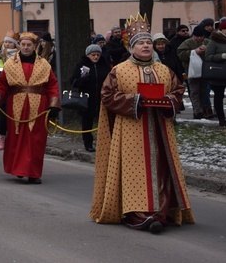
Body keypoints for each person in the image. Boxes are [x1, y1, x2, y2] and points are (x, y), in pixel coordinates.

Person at [91, 14, 194, 234]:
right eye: (141, 43)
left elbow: (177, 90)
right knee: (134, 170)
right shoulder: (119, 70)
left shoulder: (164, 70)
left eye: (148, 42)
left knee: (161, 168)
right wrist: (135, 101)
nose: (146, 45)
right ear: (132, 47)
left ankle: (161, 210)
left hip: (160, 129)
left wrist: (168, 101)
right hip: (130, 129)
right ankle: (138, 212)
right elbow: (107, 96)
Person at [0, 31, 60, 184]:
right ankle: (18, 169)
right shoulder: (10, 63)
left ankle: (33, 173)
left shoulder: (44, 65)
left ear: (35, 46)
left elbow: (52, 85)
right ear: (19, 46)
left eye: (29, 45)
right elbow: (2, 84)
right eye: (23, 45)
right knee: (16, 137)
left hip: (39, 107)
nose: (25, 47)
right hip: (16, 105)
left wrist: (53, 105)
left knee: (36, 140)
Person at [70, 44, 111, 152]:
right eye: (93, 55)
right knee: (87, 122)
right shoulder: (82, 65)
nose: (96, 57)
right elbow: (73, 82)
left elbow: (110, 78)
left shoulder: (104, 64)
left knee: (104, 122)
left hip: (102, 98)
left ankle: (105, 143)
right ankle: (88, 143)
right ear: (88, 55)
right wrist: (82, 80)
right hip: (87, 99)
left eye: (98, 55)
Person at [0, 31, 18, 150]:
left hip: (11, 90)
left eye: (10, 43)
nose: (7, 44)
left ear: (15, 45)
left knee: (4, 116)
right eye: (6, 42)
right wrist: (3, 74)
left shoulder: (18, 56)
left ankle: (2, 136)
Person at [177, 25, 209, 119]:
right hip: (191, 71)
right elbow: (180, 54)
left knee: (204, 91)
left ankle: (202, 109)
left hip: (205, 70)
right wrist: (194, 52)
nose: (199, 38)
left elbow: (213, 53)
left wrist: (206, 51)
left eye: (201, 36)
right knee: (194, 91)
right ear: (193, 36)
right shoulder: (187, 42)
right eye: (197, 36)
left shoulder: (208, 42)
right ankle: (197, 111)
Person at [204, 17, 226, 127]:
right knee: (219, 97)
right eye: (225, 28)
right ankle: (221, 119)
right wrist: (222, 56)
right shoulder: (215, 40)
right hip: (220, 73)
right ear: (221, 30)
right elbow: (208, 56)